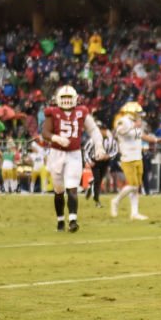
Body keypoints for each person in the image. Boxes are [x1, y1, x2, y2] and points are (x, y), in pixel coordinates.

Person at [41, 85, 106, 232]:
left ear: (75, 99)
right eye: (63, 98)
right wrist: (56, 138)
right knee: (58, 189)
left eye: (69, 98)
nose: (66, 100)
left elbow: (94, 130)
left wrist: (99, 146)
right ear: (58, 99)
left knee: (72, 187)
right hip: (57, 153)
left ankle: (72, 220)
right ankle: (60, 220)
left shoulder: (82, 112)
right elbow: (45, 132)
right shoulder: (53, 112)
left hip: (74, 154)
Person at [110, 102, 161, 221]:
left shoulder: (134, 124)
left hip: (138, 156)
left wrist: (156, 140)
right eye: (137, 113)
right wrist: (133, 125)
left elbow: (141, 136)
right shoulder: (123, 121)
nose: (140, 115)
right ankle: (116, 201)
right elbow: (119, 131)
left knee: (137, 186)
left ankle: (134, 212)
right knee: (133, 185)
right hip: (128, 158)